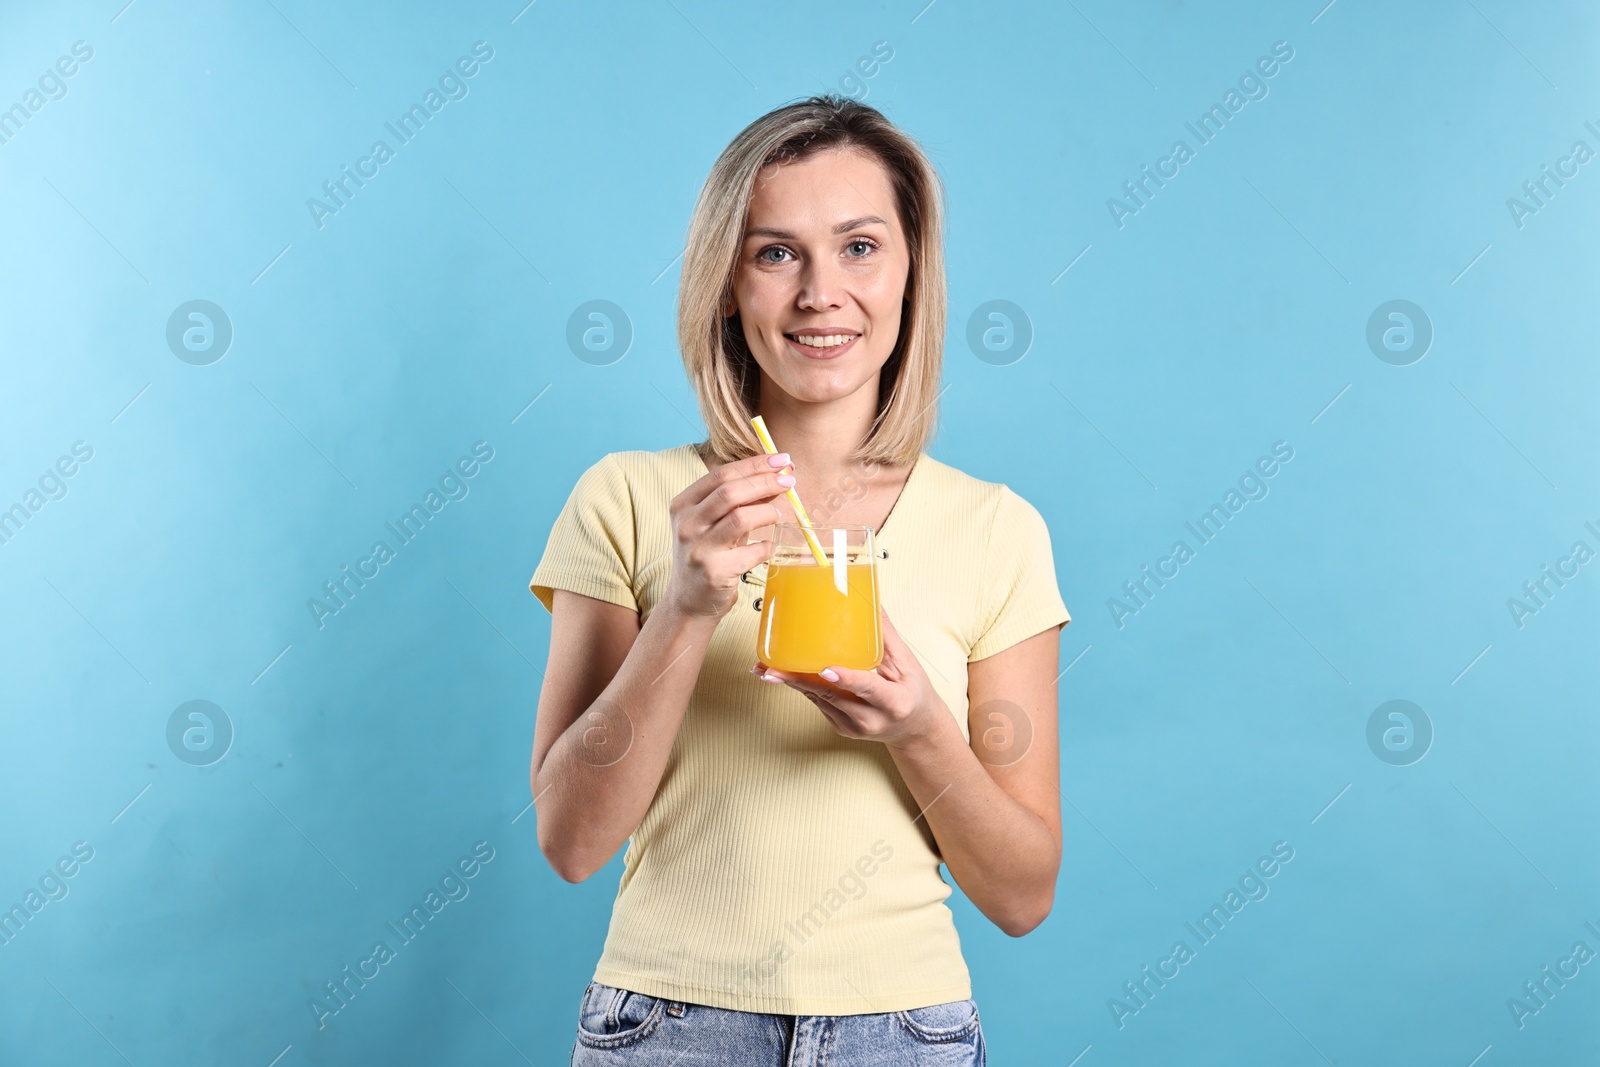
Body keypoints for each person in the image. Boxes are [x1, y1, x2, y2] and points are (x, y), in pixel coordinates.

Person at [528, 93, 1071, 1065]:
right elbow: (569, 841)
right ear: (727, 284)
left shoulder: (997, 529)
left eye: (859, 246)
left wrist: (916, 727)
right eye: (775, 251)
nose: (821, 291)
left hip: (906, 1031)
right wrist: (686, 610)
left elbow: (1023, 893)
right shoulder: (628, 499)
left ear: (911, 270)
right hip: (667, 1027)